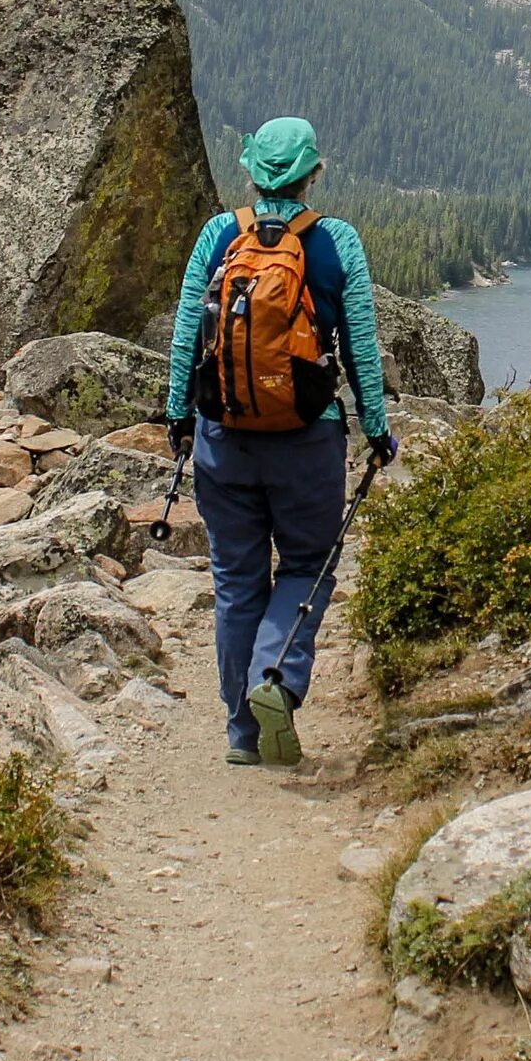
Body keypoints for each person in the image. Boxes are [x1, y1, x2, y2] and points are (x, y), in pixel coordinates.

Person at [162, 117, 397, 767]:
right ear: (311, 173)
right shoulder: (334, 243)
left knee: (237, 581)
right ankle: (277, 679)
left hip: (223, 434)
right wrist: (375, 430)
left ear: (252, 172)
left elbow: (187, 335)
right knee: (304, 567)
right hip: (307, 441)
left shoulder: (218, 235)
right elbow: (362, 352)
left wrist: (178, 416)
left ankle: (242, 734)